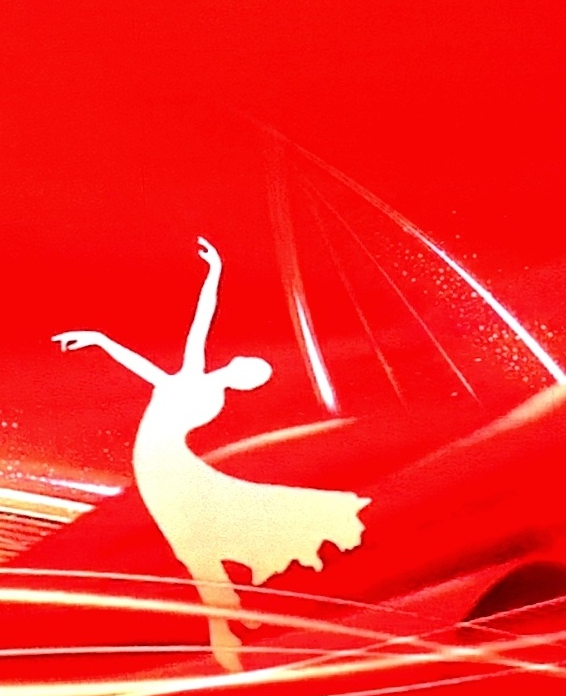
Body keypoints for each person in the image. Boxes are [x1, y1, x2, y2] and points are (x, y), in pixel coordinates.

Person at [56, 236, 368, 671]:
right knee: (192, 542)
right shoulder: (195, 375)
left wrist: (102, 340)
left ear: (243, 382)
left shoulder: (204, 387)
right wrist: (102, 339)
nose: (240, 368)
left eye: (249, 374)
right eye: (246, 364)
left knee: (193, 544)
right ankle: (229, 618)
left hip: (166, 464)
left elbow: (190, 333)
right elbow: (196, 323)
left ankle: (224, 628)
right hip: (156, 463)